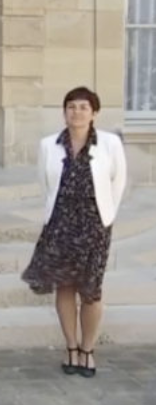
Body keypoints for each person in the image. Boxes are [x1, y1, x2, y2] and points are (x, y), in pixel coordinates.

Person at [21, 87, 126, 379]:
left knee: (91, 291)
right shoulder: (48, 145)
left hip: (94, 226)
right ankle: (70, 346)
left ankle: (87, 348)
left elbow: (118, 182)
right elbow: (44, 183)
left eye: (83, 107)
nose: (76, 112)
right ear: (64, 112)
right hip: (60, 225)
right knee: (65, 287)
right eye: (71, 107)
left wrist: (106, 217)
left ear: (94, 113)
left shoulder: (109, 143)